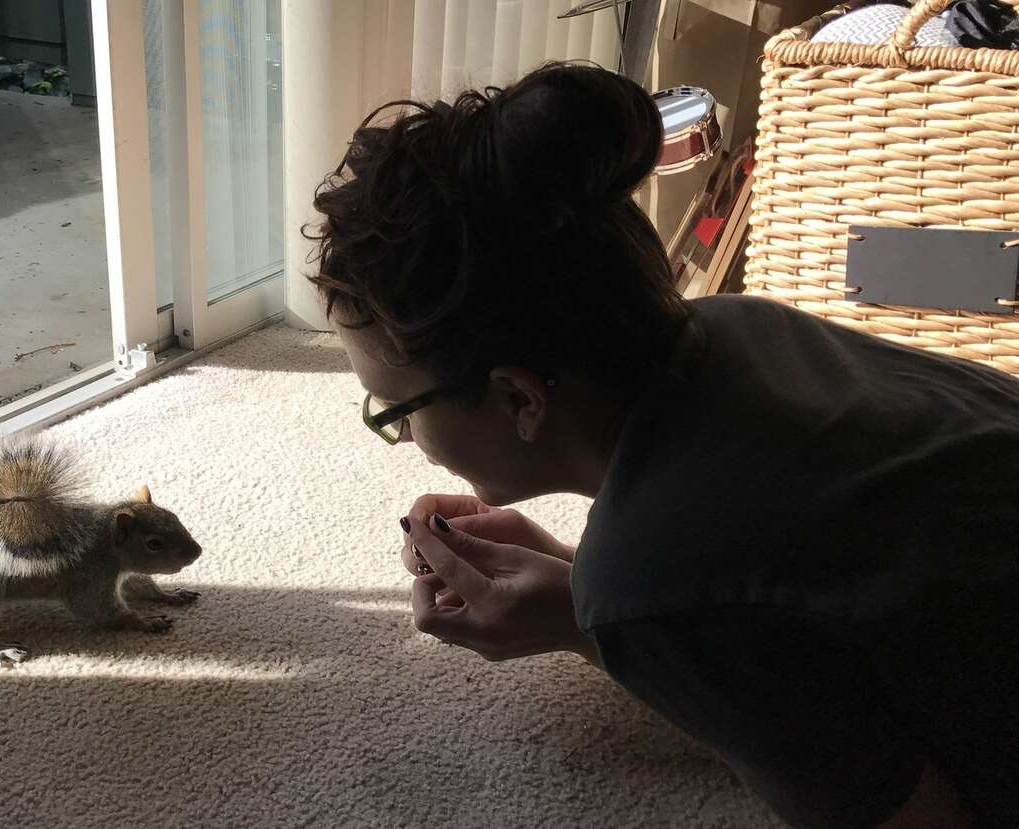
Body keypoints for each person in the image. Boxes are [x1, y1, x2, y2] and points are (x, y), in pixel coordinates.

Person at [305, 62, 1019, 829]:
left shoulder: (658, 580)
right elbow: (792, 589)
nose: (406, 436)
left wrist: (622, 613)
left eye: (399, 410)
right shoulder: (740, 325)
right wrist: (595, 613)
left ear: (519, 396)